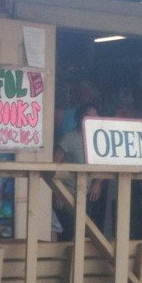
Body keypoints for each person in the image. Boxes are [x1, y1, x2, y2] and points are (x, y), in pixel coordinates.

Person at [52, 103, 102, 241]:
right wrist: (57, 192)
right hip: (66, 193)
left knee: (85, 233)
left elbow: (102, 163)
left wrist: (97, 182)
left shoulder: (99, 138)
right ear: (80, 117)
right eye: (88, 114)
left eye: (95, 115)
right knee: (68, 232)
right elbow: (54, 165)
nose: (92, 117)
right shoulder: (69, 138)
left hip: (87, 194)